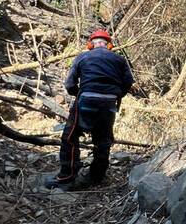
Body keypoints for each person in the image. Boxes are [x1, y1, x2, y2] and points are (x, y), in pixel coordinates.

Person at [45, 29, 134, 190]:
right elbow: (128, 82)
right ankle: (97, 176)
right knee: (103, 141)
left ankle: (66, 176)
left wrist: (79, 93)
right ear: (109, 45)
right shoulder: (119, 59)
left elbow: (69, 84)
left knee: (70, 137)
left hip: (86, 100)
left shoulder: (83, 56)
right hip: (109, 104)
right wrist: (116, 94)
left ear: (91, 44)